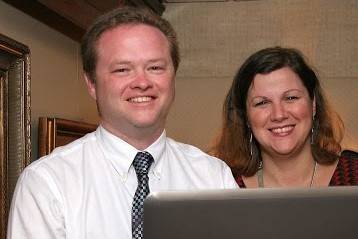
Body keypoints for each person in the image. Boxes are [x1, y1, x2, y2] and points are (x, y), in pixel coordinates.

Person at [7, 7, 237, 239]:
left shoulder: (214, 178)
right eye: (122, 70)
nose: (142, 82)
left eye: (155, 67)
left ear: (173, 75)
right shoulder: (47, 183)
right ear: (92, 84)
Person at [211, 46, 358, 188]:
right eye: (262, 102)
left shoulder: (353, 176)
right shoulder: (224, 184)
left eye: (291, 98)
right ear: (246, 117)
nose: (279, 115)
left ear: (313, 104)